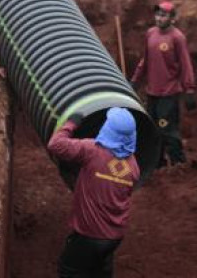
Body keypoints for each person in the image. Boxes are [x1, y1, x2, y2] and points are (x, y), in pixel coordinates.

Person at [47, 107, 140, 278]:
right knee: (99, 271)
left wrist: (71, 123)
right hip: (114, 237)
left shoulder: (92, 150)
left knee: (70, 271)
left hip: (88, 235)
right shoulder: (133, 166)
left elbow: (55, 145)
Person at [130, 1, 196, 167]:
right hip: (152, 92)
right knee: (152, 128)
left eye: (164, 15)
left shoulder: (177, 38)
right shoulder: (150, 33)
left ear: (172, 18)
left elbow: (185, 64)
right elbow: (145, 60)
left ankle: (178, 162)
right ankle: (158, 162)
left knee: (167, 128)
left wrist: (189, 90)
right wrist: (135, 81)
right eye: (158, 14)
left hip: (169, 94)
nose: (159, 18)